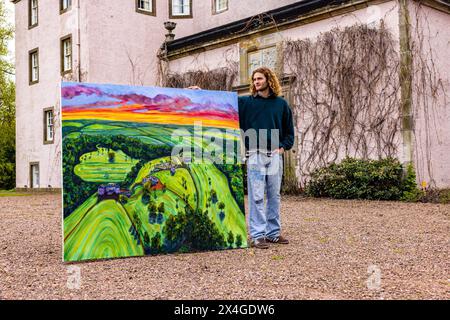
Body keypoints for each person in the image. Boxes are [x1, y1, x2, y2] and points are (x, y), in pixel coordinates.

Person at [188, 66, 295, 249]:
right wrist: (201, 93)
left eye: (259, 79)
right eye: (254, 80)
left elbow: (289, 132)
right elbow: (222, 102)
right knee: (256, 196)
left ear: (269, 80)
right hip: (255, 155)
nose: (256, 82)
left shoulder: (281, 104)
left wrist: (283, 147)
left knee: (274, 196)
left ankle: (273, 233)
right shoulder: (246, 103)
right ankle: (258, 235)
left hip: (274, 156)